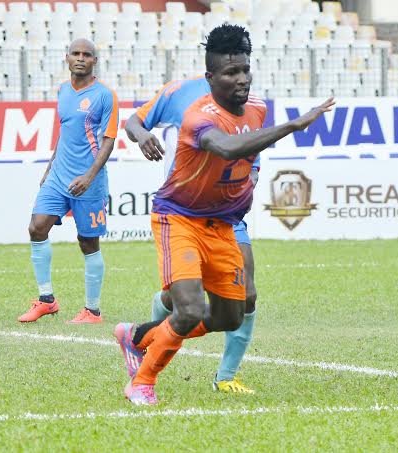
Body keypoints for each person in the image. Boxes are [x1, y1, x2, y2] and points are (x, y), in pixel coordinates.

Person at [113, 24, 335, 405]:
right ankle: (143, 380)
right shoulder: (196, 113)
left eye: (245, 70)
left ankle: (139, 336)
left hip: (227, 222)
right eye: (232, 73)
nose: (242, 78)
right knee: (191, 309)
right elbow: (228, 148)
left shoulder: (258, 108)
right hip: (180, 217)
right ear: (210, 76)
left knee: (232, 315)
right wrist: (294, 125)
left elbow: (246, 152)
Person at [125, 72, 262, 394]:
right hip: (185, 212)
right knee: (183, 303)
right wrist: (143, 136)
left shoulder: (247, 99)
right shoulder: (179, 91)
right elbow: (133, 122)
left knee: (248, 296)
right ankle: (143, 338)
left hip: (227, 215)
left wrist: (249, 178)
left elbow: (250, 149)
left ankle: (226, 376)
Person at [19, 39, 118, 324]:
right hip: (58, 177)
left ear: (94, 61)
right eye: (76, 53)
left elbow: (109, 140)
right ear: (66, 57)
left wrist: (89, 176)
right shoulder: (63, 90)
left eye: (87, 55)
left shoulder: (105, 95)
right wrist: (50, 167)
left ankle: (93, 311)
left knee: (88, 242)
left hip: (89, 181)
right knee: (37, 228)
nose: (80, 58)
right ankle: (47, 300)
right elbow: (66, 133)